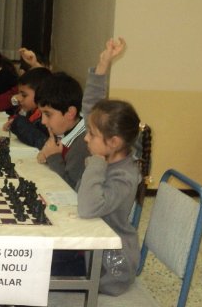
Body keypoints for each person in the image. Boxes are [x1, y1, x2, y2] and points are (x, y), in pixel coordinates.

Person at [34, 38, 126, 189]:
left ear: (70, 113)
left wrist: (54, 157)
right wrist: (102, 64)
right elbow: (91, 102)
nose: (43, 121)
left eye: (47, 114)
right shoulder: (71, 129)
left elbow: (73, 190)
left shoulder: (83, 146)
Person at [77, 99, 144, 295]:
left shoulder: (123, 177)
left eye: (92, 134)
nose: (86, 138)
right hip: (92, 249)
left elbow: (87, 208)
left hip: (110, 269)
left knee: (38, 267)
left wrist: (96, 163)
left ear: (114, 142)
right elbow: (81, 192)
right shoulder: (110, 163)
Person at [1, 67, 52, 148]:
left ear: (40, 94)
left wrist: (18, 123)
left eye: (24, 95)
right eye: (19, 94)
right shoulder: (30, 111)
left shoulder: (45, 118)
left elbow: (43, 142)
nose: (19, 98)